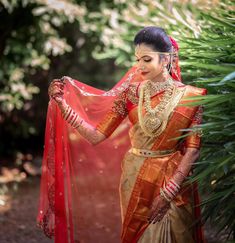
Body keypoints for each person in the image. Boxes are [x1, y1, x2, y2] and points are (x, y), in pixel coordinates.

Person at [38, 26, 206, 243]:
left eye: (147, 59)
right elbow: (96, 136)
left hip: (173, 181)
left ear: (165, 60)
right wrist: (63, 105)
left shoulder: (192, 97)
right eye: (138, 60)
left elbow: (193, 151)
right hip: (135, 177)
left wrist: (168, 192)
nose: (140, 66)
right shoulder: (131, 94)